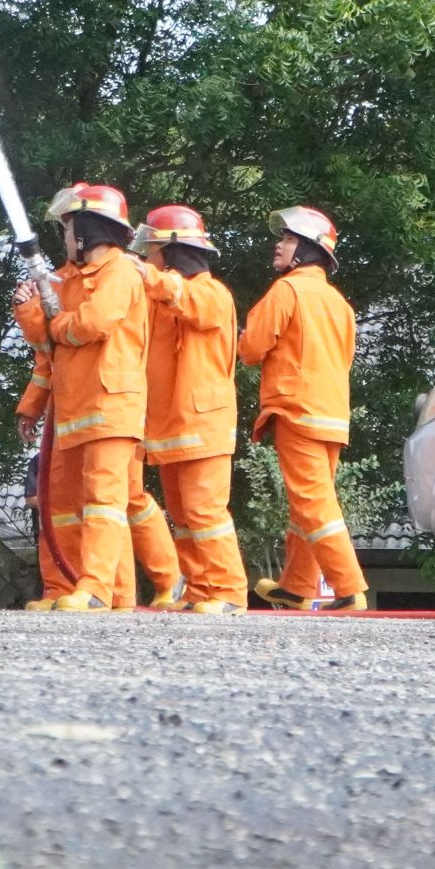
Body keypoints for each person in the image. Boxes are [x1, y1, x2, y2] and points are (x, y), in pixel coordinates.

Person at [13, 183, 150, 611]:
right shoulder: (66, 278)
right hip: (72, 410)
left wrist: (56, 325)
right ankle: (70, 589)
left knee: (103, 502)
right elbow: (47, 346)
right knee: (62, 504)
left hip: (110, 407)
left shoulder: (120, 271)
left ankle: (96, 589)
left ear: (88, 230)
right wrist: (28, 308)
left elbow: (94, 323)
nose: (66, 237)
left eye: (69, 228)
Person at [241, 205, 369, 611]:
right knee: (308, 501)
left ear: (307, 250)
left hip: (297, 410)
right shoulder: (338, 303)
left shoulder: (287, 291)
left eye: (288, 239)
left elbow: (251, 348)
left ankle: (349, 587)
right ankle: (297, 585)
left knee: (313, 502)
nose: (279, 246)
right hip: (331, 415)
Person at [133, 203, 247, 614]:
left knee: (205, 512)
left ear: (172, 252)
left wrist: (145, 275)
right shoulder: (163, 300)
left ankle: (229, 591)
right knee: (183, 516)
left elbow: (184, 296)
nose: (148, 258)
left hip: (203, 424)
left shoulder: (212, 293)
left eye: (153, 250)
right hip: (171, 425)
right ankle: (199, 589)